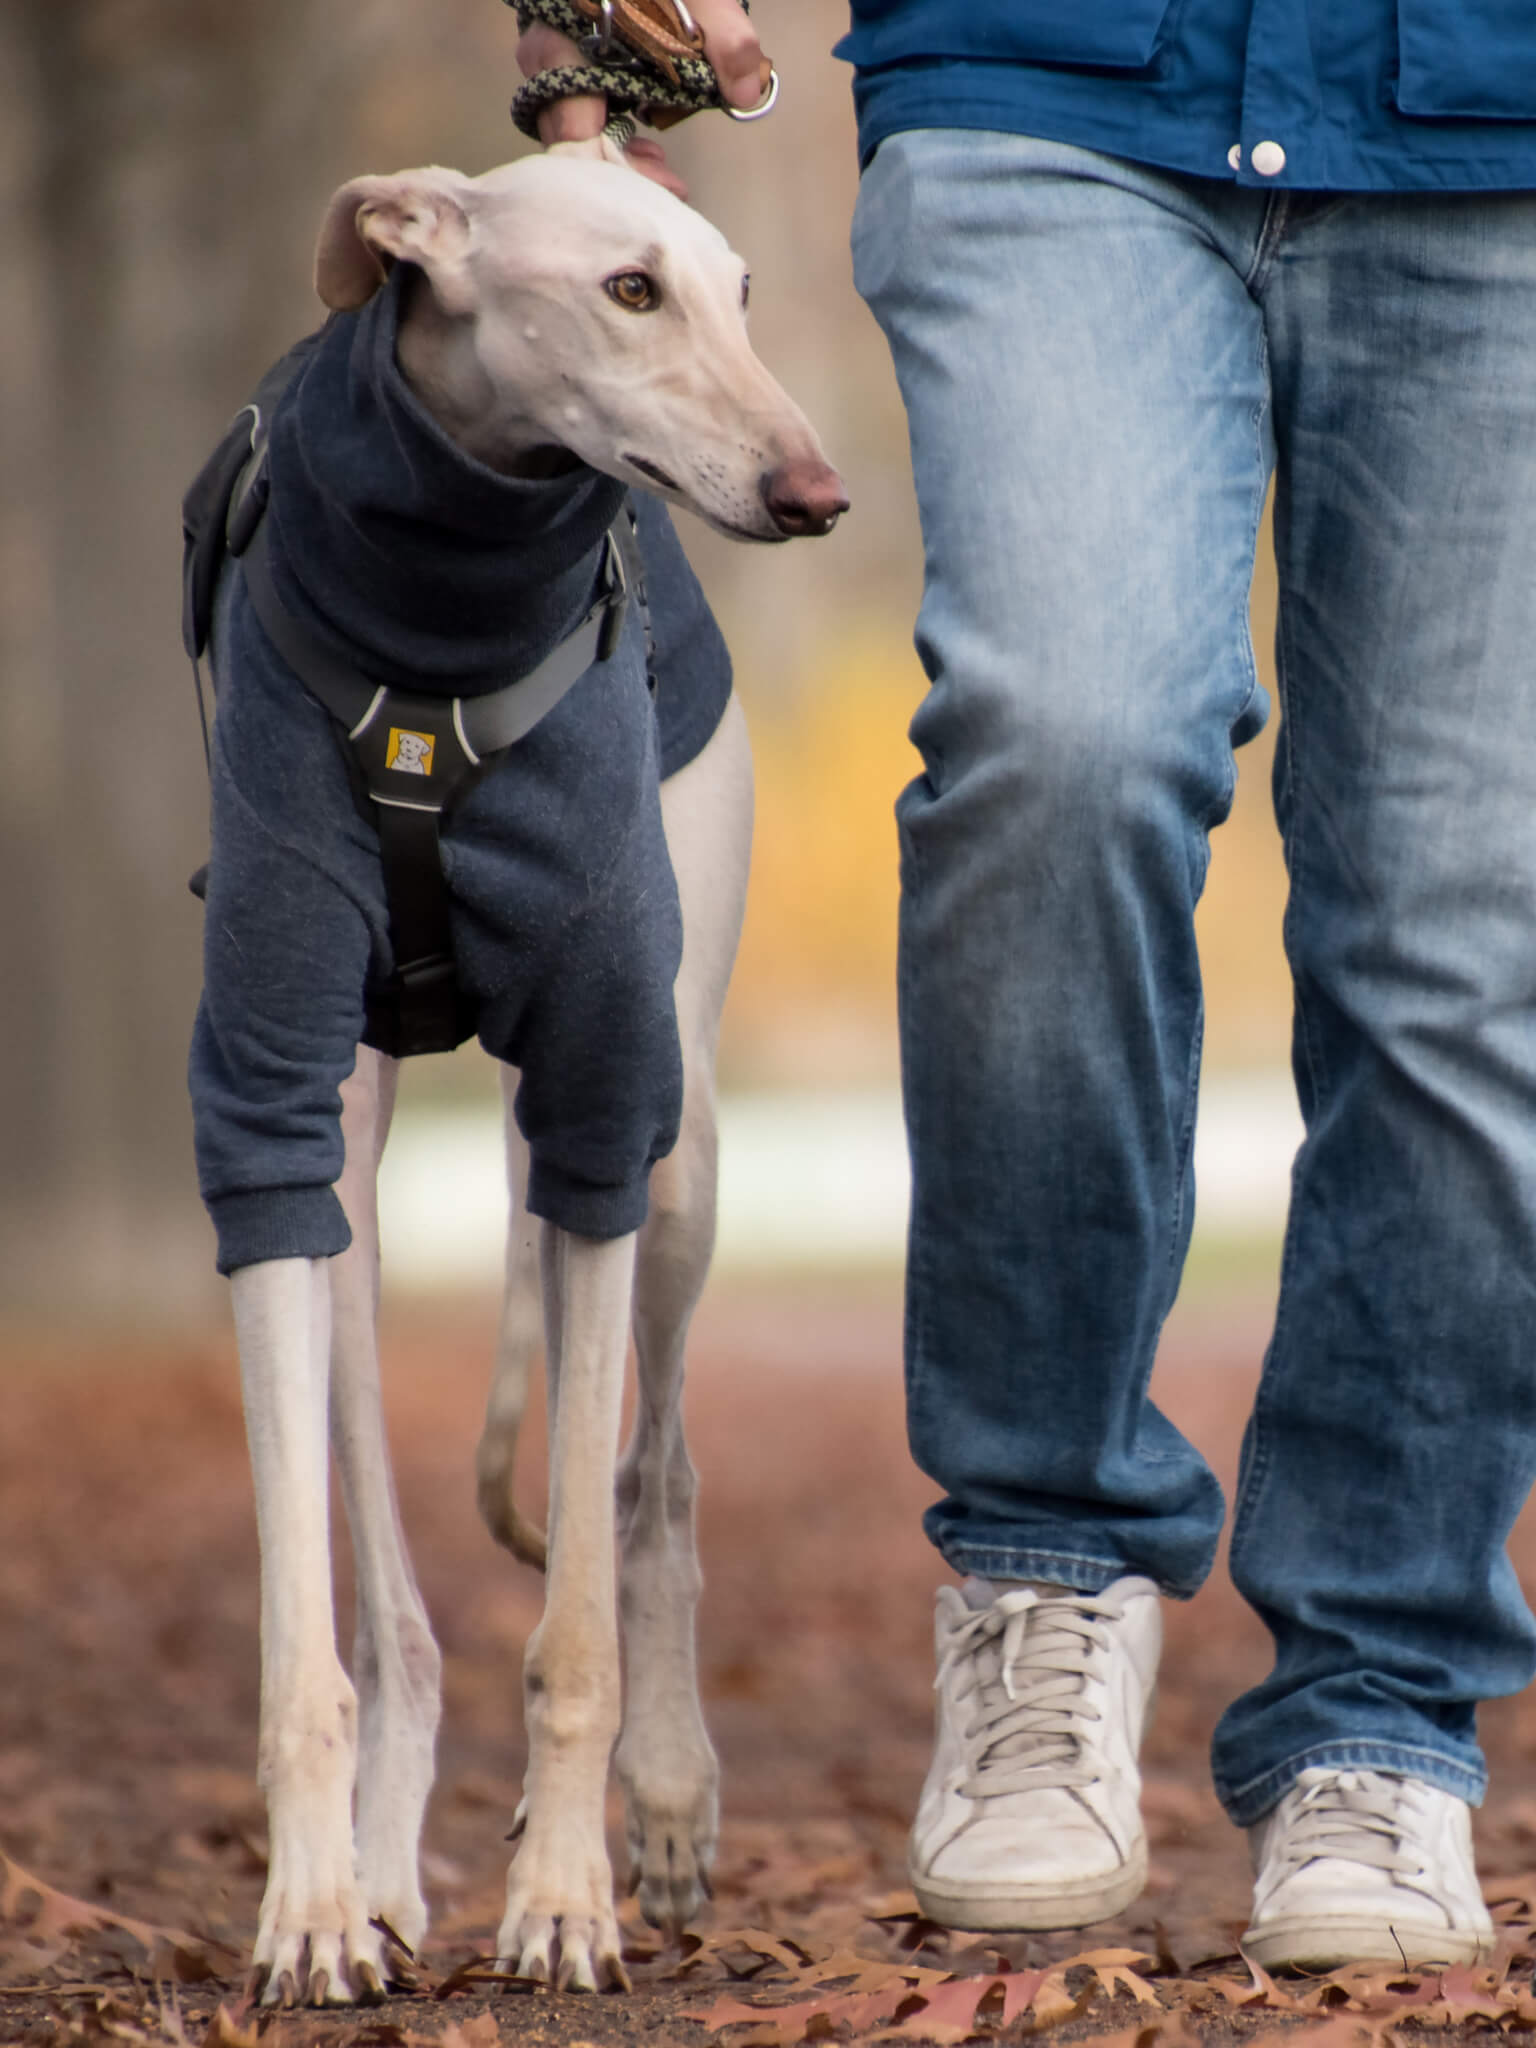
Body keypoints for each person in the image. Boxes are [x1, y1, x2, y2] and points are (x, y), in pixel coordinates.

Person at [513, 0, 1536, 1970]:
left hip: (1499, 124)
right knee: (1057, 745)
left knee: (1468, 920)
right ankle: (1045, 1571)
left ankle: (1386, 1703)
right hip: (1054, 78)